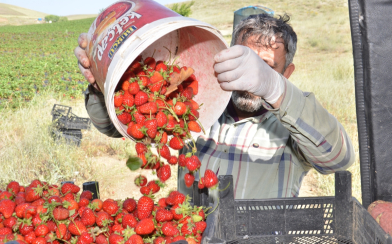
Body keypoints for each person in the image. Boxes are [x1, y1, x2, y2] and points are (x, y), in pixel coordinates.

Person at [74, 13, 355, 199]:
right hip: (192, 234)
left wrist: (274, 88)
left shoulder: (291, 124)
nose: (249, 80)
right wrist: (101, 86)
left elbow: (339, 158)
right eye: (243, 62)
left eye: (265, 67)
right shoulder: (195, 107)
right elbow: (113, 126)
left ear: (286, 73)